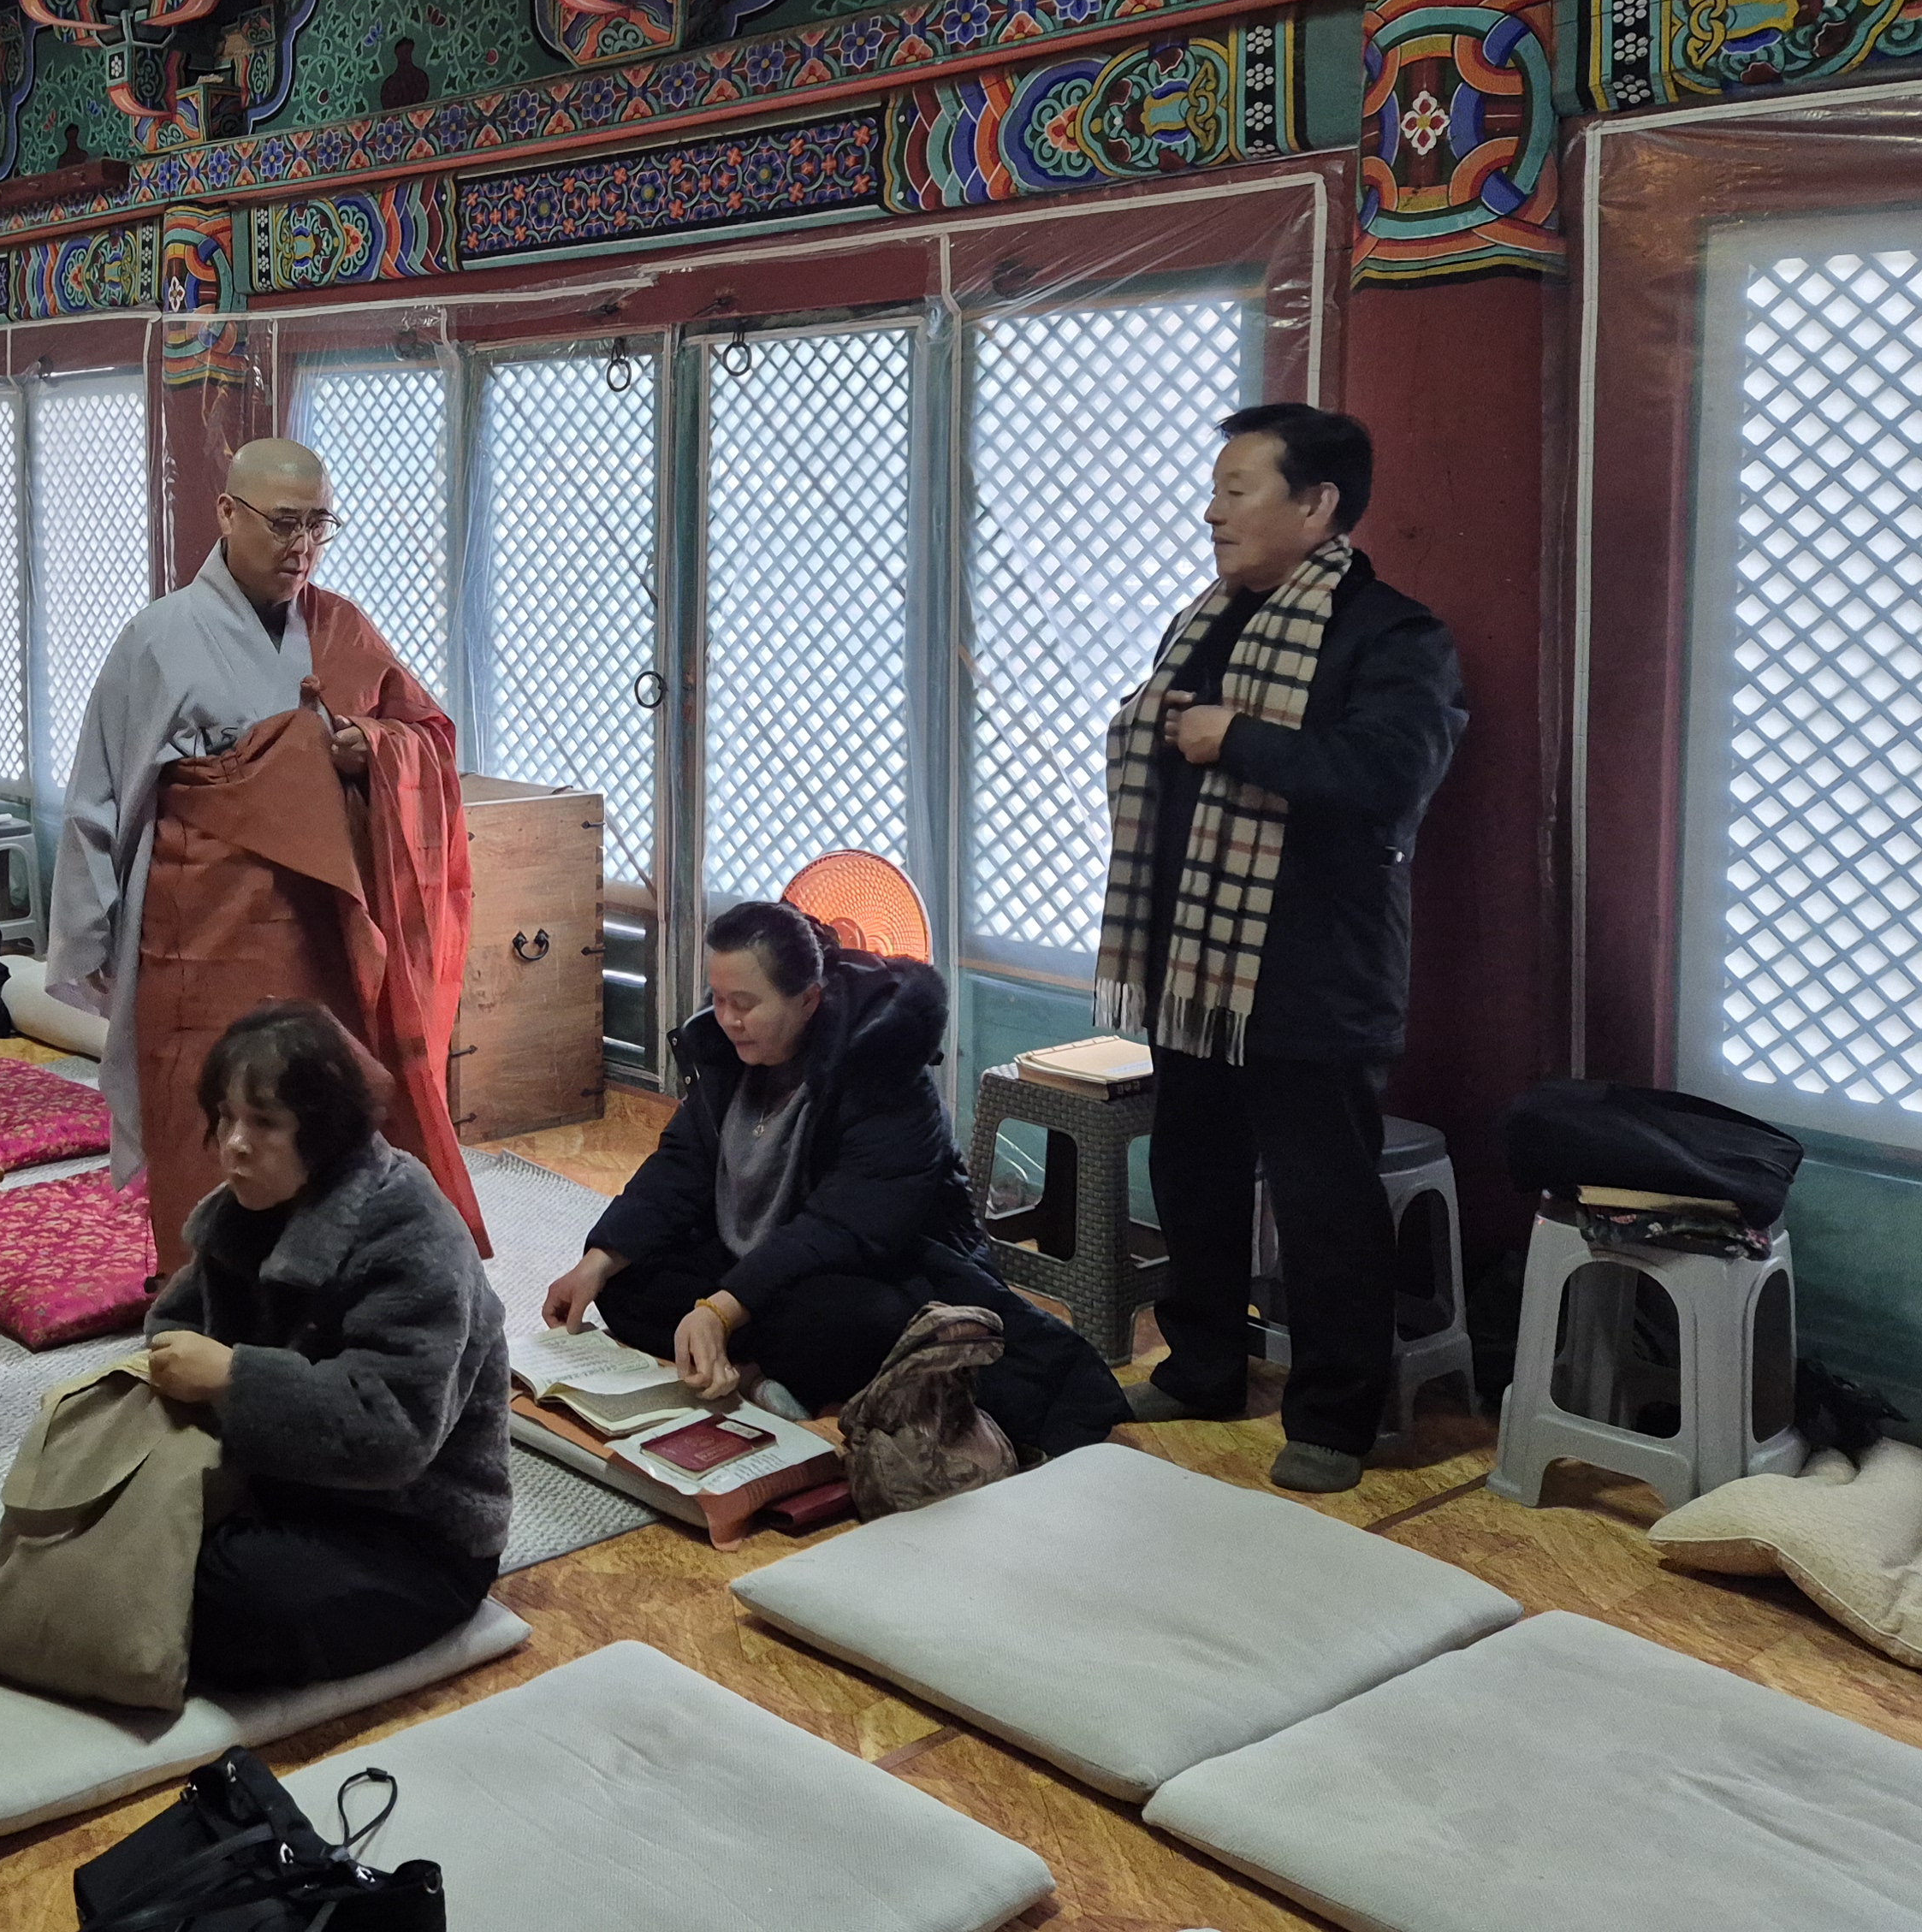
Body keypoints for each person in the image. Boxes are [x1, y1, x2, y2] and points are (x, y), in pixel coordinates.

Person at [1096, 401, 1464, 1492]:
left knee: (1322, 1201)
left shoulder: (1393, 635)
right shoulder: (1208, 620)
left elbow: (1387, 781)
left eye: (1235, 489)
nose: (1211, 512)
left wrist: (1239, 739)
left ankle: (1335, 1420)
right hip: (1195, 967)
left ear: (1316, 505)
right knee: (1193, 1170)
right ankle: (1203, 1367)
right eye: (1214, 490)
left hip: (1311, 973)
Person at [48, 436, 484, 1275]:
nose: (303, 545)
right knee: (205, 1112)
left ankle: (329, 1286)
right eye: (285, 523)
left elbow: (426, 736)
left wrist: (369, 745)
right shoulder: (159, 637)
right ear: (227, 513)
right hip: (199, 928)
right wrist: (90, 933)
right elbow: (99, 794)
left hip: (323, 928)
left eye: (320, 525)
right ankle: (205, 1295)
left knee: (319, 1108)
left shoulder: (343, 627)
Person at [541, 900, 1124, 1459]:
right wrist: (598, 1258)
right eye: (717, 999)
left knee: (846, 1322)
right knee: (624, 1279)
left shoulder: (886, 1072)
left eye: (745, 1003)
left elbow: (844, 1228)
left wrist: (721, 1310)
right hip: (760, 1261)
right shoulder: (727, 1052)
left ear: (808, 999)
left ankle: (769, 1367)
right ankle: (765, 1374)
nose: (727, 1019)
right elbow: (680, 1165)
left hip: (872, 1268)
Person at [145, 1002, 510, 1692]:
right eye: (225, 1117)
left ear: (325, 1129)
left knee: (237, 1596)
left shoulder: (411, 1227)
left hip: (414, 1532)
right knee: (111, 1537)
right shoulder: (242, 1209)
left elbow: (396, 1431)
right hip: (278, 1495)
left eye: (264, 1123)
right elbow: (173, 1331)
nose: (234, 1145)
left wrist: (236, 1378)